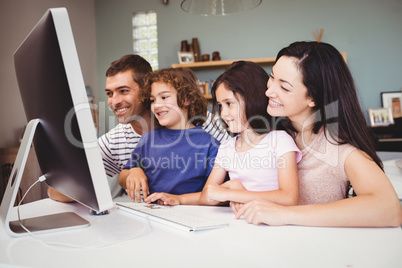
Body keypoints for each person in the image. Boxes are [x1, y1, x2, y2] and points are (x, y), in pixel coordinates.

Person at [234, 41, 402, 227]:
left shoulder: (337, 149)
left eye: (284, 87)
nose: (269, 91)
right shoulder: (267, 132)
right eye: (272, 77)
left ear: (313, 97)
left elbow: (390, 209)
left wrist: (286, 214)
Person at [48, 55, 229, 202]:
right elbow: (57, 190)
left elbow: (236, 170)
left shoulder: (204, 124)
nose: (114, 101)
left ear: (145, 90)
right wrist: (131, 173)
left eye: (124, 91)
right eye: (110, 94)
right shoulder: (115, 140)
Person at [199, 61, 301, 208]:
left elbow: (289, 198)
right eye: (221, 106)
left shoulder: (279, 140)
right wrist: (231, 186)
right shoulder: (227, 147)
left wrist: (233, 192)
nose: (223, 113)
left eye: (229, 103)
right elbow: (205, 198)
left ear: (253, 98)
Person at [119, 67, 220, 205]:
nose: (157, 105)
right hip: (154, 214)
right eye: (153, 100)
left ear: (186, 99)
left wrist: (178, 200)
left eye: (164, 97)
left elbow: (215, 193)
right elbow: (122, 176)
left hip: (191, 215)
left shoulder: (208, 144)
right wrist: (133, 172)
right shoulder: (148, 139)